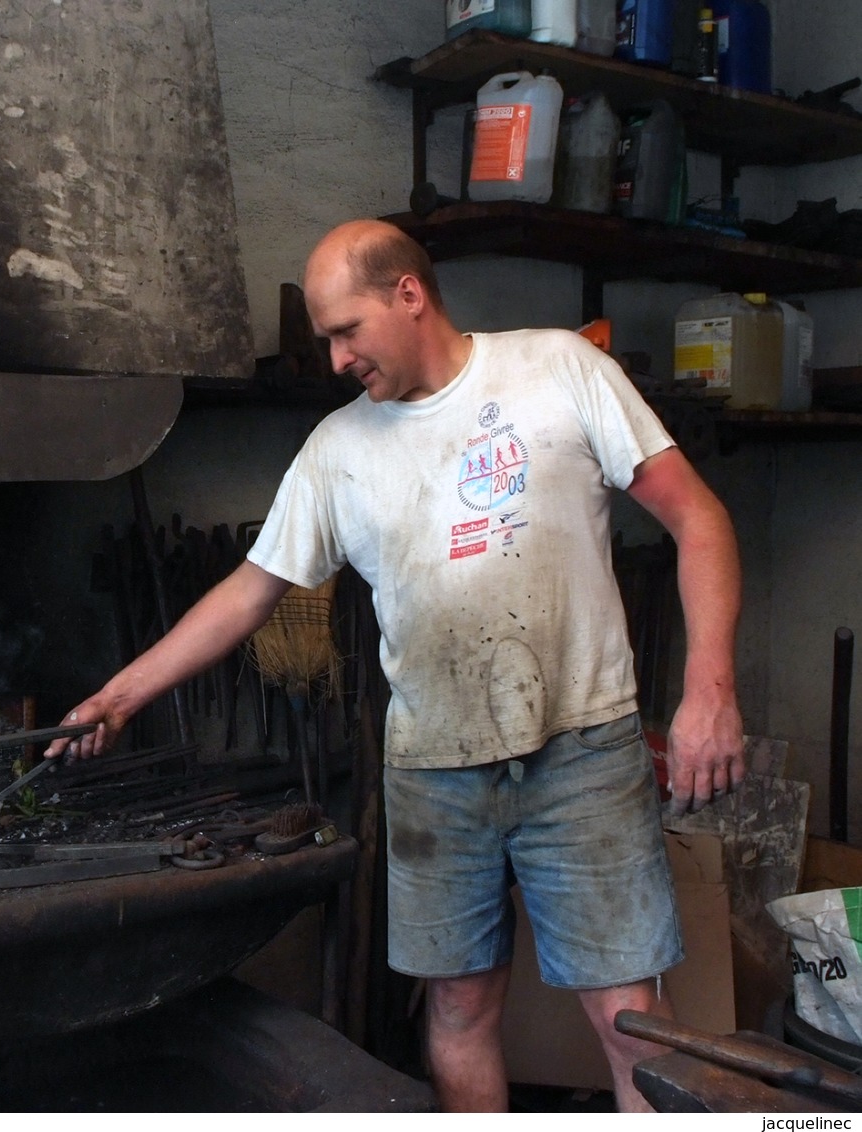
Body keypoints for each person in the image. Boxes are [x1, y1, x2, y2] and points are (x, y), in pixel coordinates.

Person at [46, 219, 745, 1112]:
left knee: (628, 1019)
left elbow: (698, 519)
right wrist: (118, 695)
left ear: (408, 294)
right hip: (430, 769)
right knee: (455, 1008)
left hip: (580, 748)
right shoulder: (337, 450)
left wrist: (708, 692)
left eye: (346, 332)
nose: (336, 361)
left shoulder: (559, 370)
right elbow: (247, 592)